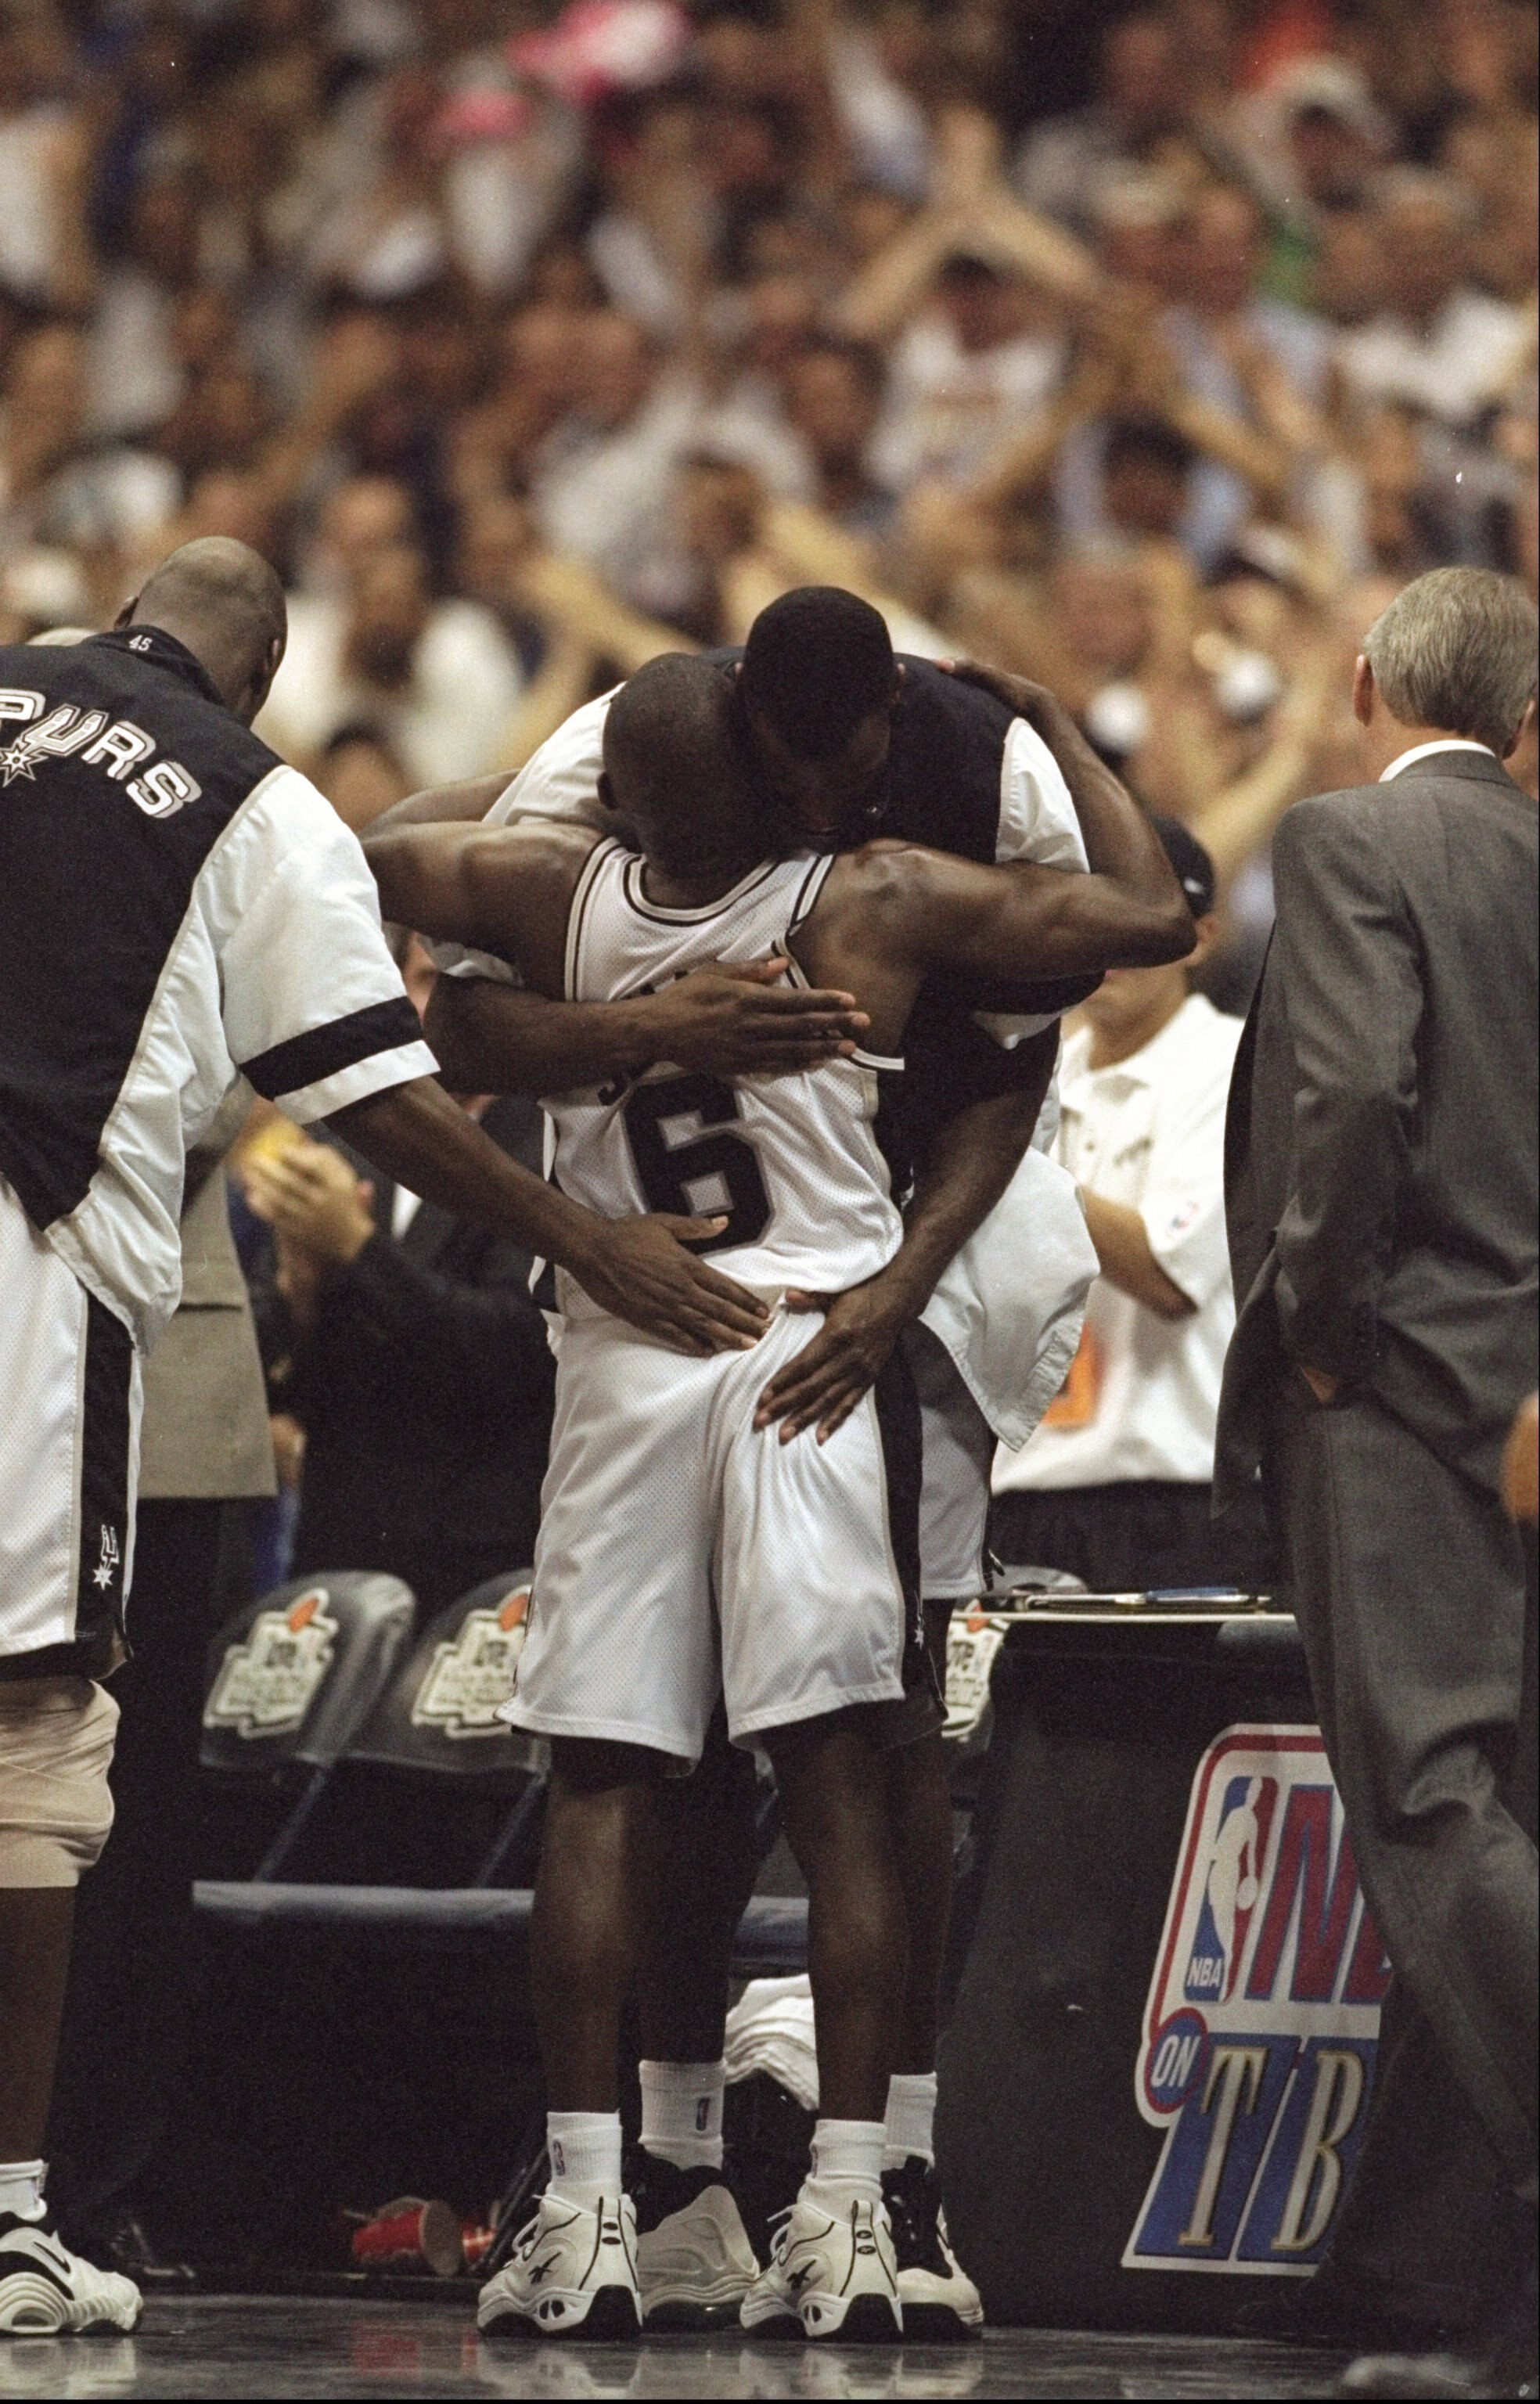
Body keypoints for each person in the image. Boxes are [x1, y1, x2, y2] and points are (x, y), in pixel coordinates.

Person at [0, 536, 798, 2341]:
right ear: (262, 678)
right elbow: (386, 1077)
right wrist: (585, 1236)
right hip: (38, 1271)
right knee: (43, 1739)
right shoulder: (242, 792)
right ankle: (19, 2209)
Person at [366, 650, 1191, 2345]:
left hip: (648, 1330)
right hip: (813, 1343)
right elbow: (1146, 915)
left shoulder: (548, 882)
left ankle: (594, 2194)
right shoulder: (873, 894)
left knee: (604, 1774)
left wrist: (613, 1022)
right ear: (754, 773)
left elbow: (396, 883)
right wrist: (1053, 709)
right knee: (855, 1761)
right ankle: (830, 2201)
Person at [1215, 566, 1538, 2389]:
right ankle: (1465, 2300)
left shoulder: (1352, 840)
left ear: (1358, 683)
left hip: (1409, 1383)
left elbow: (1346, 1100)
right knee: (1510, 1807)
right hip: (1530, 1396)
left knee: (1424, 1800)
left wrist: (1321, 1321)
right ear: (1518, 724)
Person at [991, 815, 1265, 1592]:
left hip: (1173, 1495)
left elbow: (1168, 1274)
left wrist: (996, 1154)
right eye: (1091, 913)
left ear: (1201, 938)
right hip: (1023, 1487)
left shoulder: (1230, 1064)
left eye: (1137, 919)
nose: (1107, 945)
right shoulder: (1035, 1077)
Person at [248, 1090, 555, 1614]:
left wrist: (357, 1245)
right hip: (339, 1539)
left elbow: (514, 1350)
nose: (414, 1010)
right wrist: (299, 1288)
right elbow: (268, 1371)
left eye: (430, 999)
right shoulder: (348, 1135)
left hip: (479, 1549)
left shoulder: (544, 1141)